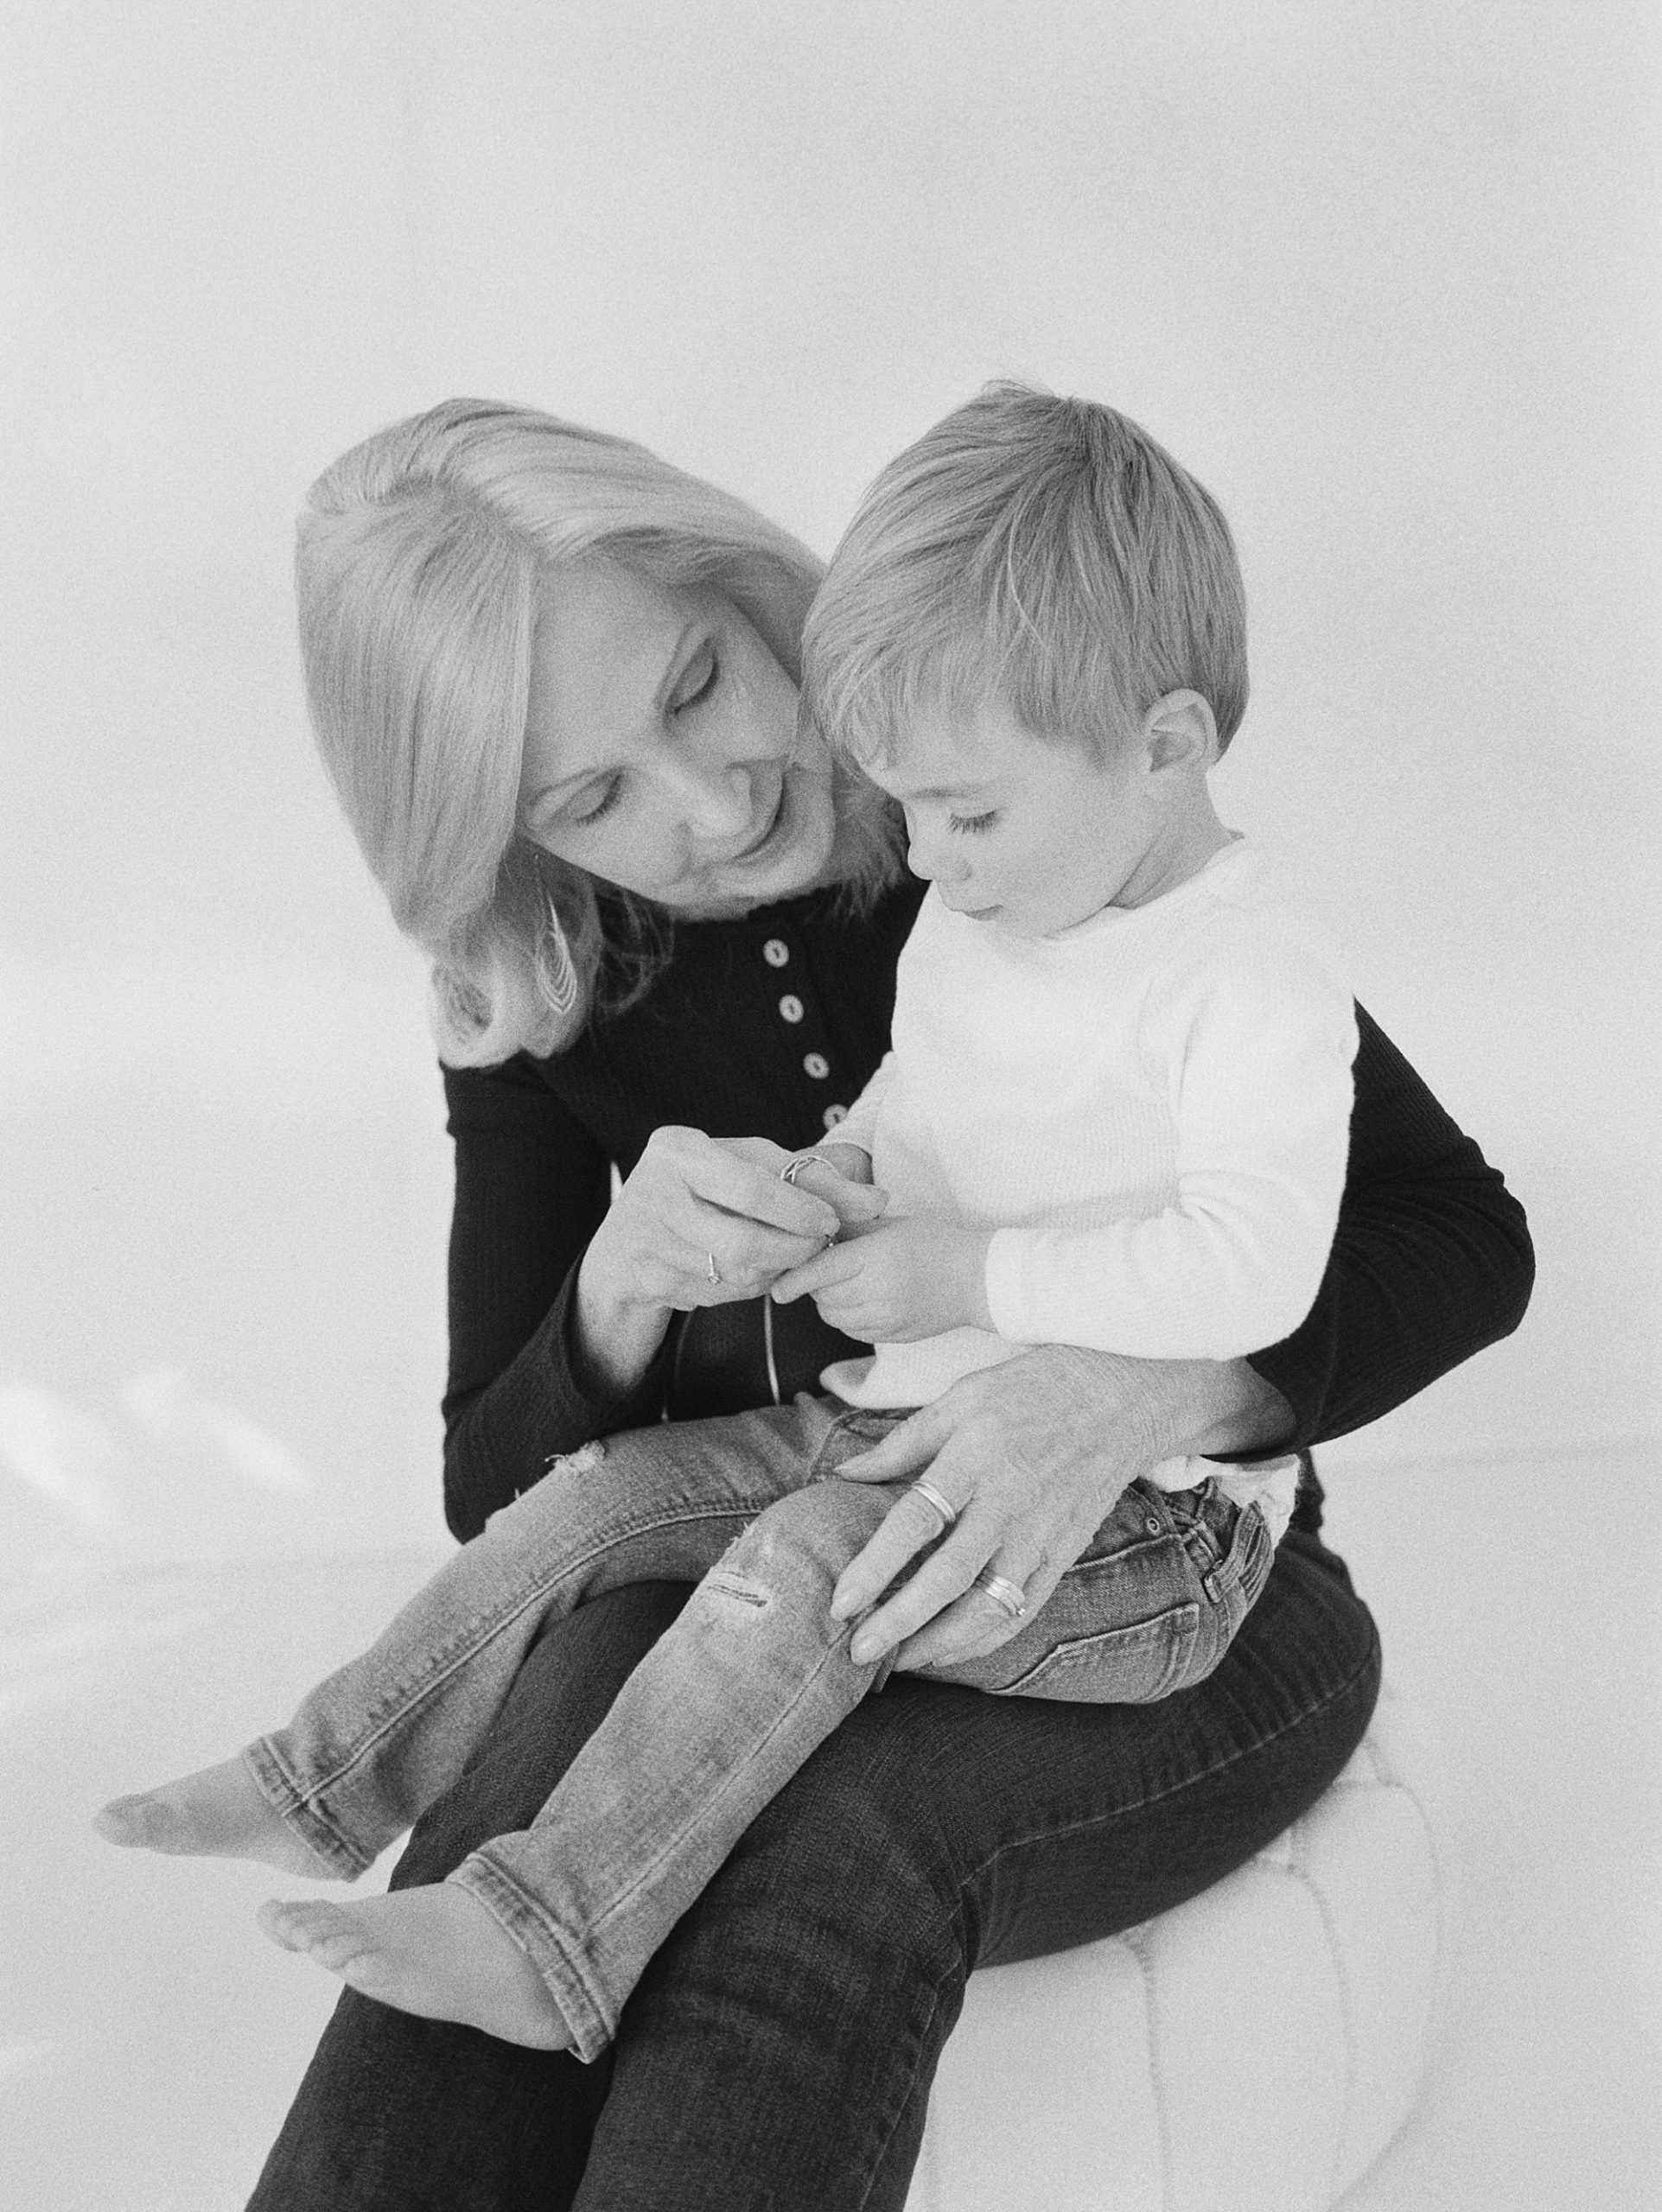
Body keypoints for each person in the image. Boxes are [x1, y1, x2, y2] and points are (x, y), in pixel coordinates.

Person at [136, 395, 1531, 2209]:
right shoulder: (538, 989)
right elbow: (499, 1498)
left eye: (703, 681)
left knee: (808, 1853)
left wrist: (1140, 1390)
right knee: (525, 1782)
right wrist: (619, 1287)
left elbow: (1457, 1234)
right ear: (504, 836)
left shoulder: (1000, 794)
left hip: (1182, 1588)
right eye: (591, 795)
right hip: (797, 1527)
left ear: (741, 585)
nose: (717, 799)